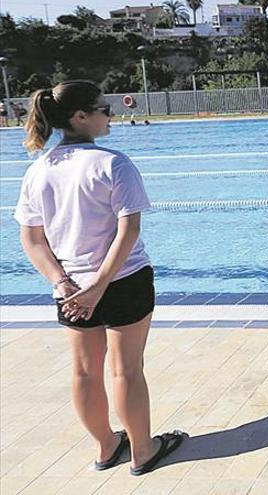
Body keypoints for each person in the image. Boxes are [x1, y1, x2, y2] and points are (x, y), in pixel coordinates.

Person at [15, 81, 184, 476]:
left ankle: (107, 447)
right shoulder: (113, 164)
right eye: (104, 109)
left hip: (71, 288)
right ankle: (143, 451)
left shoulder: (39, 170)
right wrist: (101, 284)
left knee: (84, 372)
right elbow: (128, 232)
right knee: (126, 370)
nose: (110, 115)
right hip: (122, 280)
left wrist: (62, 283)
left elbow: (32, 240)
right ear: (81, 116)